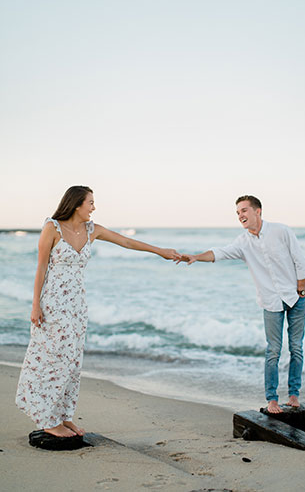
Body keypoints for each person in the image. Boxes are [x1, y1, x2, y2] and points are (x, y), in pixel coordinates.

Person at [16, 185, 181, 437]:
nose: (94, 207)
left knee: (72, 360)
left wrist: (160, 252)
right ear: (76, 204)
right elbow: (40, 268)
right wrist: (35, 304)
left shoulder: (93, 230)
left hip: (77, 306)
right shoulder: (52, 228)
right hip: (53, 304)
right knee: (53, 359)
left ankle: (64, 415)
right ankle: (48, 419)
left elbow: (126, 241)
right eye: (90, 202)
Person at [178, 195, 305, 414]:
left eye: (244, 210)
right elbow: (219, 253)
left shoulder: (281, 231)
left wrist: (301, 290)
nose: (240, 215)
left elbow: (300, 261)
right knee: (273, 351)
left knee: (296, 347)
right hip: (270, 302)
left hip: (296, 297)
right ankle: (272, 399)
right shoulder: (243, 242)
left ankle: (294, 395)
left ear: (258, 211)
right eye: (238, 212)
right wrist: (195, 256)